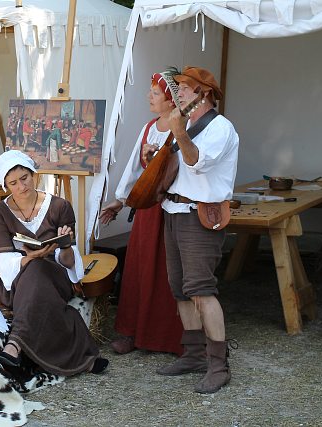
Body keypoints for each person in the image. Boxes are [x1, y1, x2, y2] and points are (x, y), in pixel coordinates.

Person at [145, 66, 239, 394]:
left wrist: (178, 132)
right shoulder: (184, 123)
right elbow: (175, 168)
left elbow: (196, 162)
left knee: (201, 289)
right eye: (179, 87)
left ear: (204, 93)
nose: (179, 93)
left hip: (199, 215)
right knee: (180, 289)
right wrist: (155, 158)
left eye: (185, 88)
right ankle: (195, 355)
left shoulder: (220, 127)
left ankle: (218, 365)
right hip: (173, 210)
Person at [0, 150, 108, 376]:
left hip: (55, 276)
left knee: (40, 270)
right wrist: (32, 257)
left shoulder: (60, 207)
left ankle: (14, 345)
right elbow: (5, 267)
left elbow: (69, 263)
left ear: (34, 174)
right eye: (13, 183)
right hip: (16, 281)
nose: (21, 186)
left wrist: (65, 246)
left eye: (24, 178)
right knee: (35, 269)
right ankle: (84, 360)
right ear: (5, 186)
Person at [99, 71, 184, 356]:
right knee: (140, 268)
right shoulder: (149, 128)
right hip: (148, 210)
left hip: (173, 209)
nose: (149, 96)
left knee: (168, 272)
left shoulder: (183, 128)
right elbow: (134, 171)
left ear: (171, 100)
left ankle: (167, 337)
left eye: (155, 93)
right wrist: (120, 201)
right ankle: (132, 331)